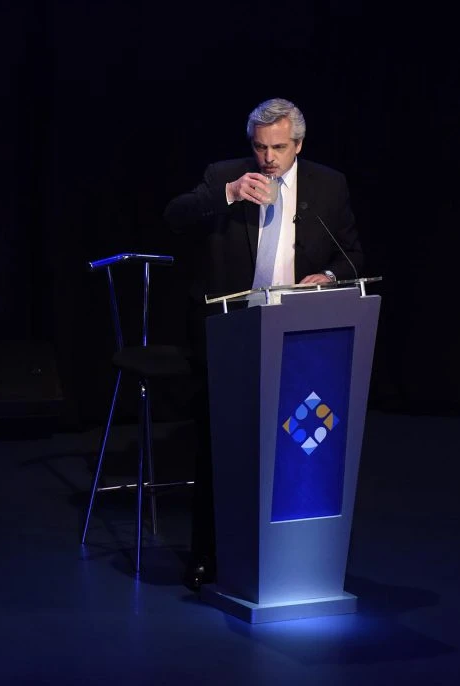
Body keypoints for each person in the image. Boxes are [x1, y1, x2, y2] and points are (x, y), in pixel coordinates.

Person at [163, 98, 363, 590]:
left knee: (294, 444)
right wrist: (228, 194)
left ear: (298, 144)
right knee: (220, 445)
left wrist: (329, 276)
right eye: (259, 147)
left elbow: (351, 255)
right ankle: (207, 555)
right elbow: (174, 216)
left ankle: (290, 556)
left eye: (278, 148)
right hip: (231, 329)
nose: (268, 158)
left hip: (298, 334)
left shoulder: (328, 185)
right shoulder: (225, 176)